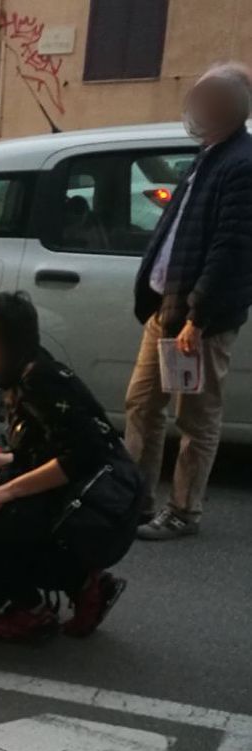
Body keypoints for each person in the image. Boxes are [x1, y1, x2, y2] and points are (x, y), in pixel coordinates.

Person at [0, 293, 140, 642]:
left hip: (93, 509)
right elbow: (36, 457)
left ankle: (31, 610)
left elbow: (79, 457)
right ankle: (82, 585)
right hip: (86, 499)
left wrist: (4, 491)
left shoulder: (38, 380)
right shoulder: (32, 370)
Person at [125, 62, 252, 542]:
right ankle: (133, 501)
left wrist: (198, 318)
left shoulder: (241, 163)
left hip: (198, 320)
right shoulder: (210, 156)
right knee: (142, 405)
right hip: (167, 310)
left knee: (195, 419)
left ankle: (183, 511)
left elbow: (232, 249)